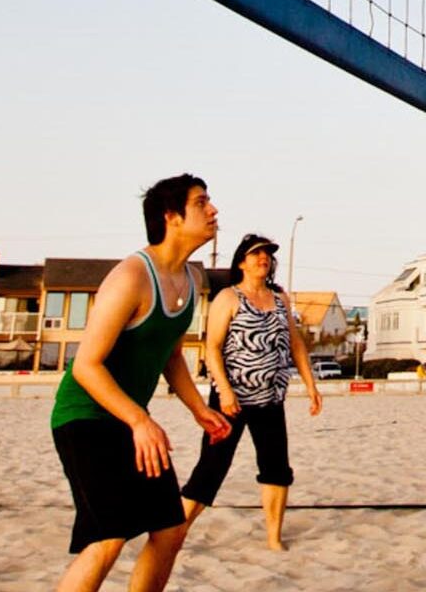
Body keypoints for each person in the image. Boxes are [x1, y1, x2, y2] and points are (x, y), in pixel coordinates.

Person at [49, 175, 232, 592]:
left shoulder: (191, 279)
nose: (213, 210)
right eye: (201, 202)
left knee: (169, 531)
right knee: (108, 538)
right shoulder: (130, 277)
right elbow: (86, 366)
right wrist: (139, 420)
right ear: (171, 216)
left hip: (131, 421)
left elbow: (169, 352)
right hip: (85, 417)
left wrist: (198, 408)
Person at [183, 234, 322, 553]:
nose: (264, 258)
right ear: (241, 262)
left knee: (277, 468)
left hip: (271, 398)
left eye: (267, 254)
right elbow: (212, 348)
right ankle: (175, 533)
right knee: (211, 468)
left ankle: (274, 537)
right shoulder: (228, 298)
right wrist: (226, 392)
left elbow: (296, 343)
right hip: (231, 399)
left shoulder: (279, 299)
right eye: (256, 253)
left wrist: (311, 386)